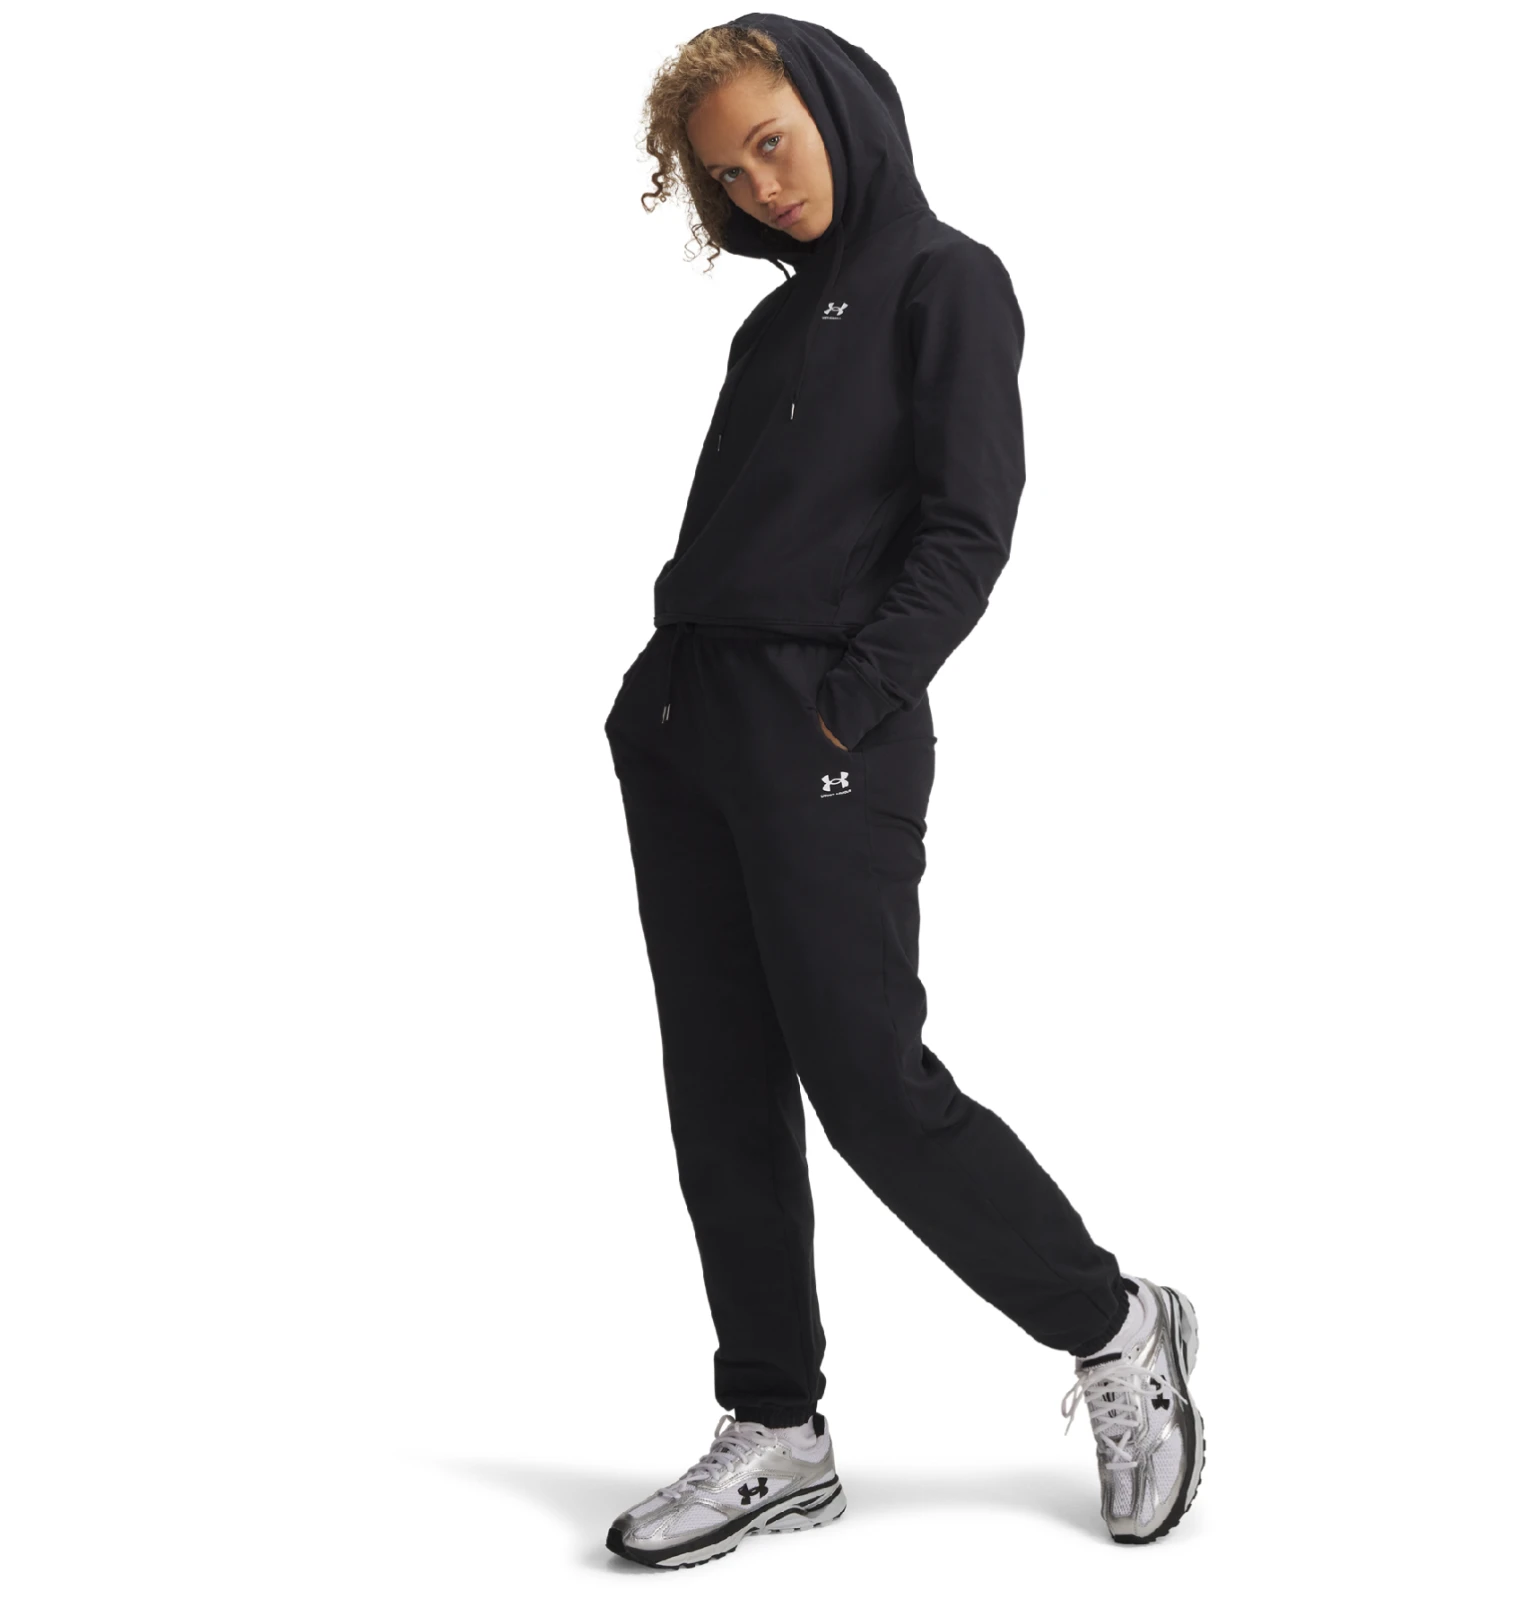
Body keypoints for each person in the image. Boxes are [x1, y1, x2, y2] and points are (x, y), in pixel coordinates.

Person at [602, 14, 1203, 1568]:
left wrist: (846, 705)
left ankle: (1113, 1323)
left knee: (870, 1084)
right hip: (686, 723)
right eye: (731, 175)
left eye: (774, 143)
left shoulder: (949, 281)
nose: (762, 186)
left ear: (839, 108)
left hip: (824, 736)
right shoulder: (770, 334)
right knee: (720, 1088)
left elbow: (967, 527)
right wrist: (657, 707)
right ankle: (777, 1431)